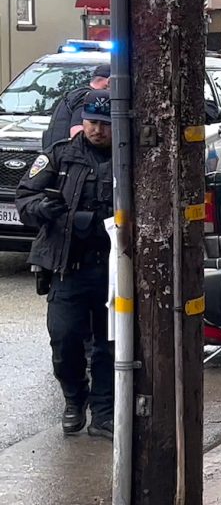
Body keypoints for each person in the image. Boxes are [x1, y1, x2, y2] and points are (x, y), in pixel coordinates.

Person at [16, 90, 115, 440]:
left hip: (112, 270)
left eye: (105, 124)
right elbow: (25, 197)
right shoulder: (60, 156)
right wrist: (43, 209)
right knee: (65, 340)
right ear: (82, 121)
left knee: (109, 345)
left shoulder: (127, 161)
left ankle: (103, 414)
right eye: (92, 123)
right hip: (67, 266)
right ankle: (75, 400)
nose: (98, 131)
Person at [41, 64, 111, 150]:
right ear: (109, 82)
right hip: (69, 157)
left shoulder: (76, 94)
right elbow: (77, 134)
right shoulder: (87, 98)